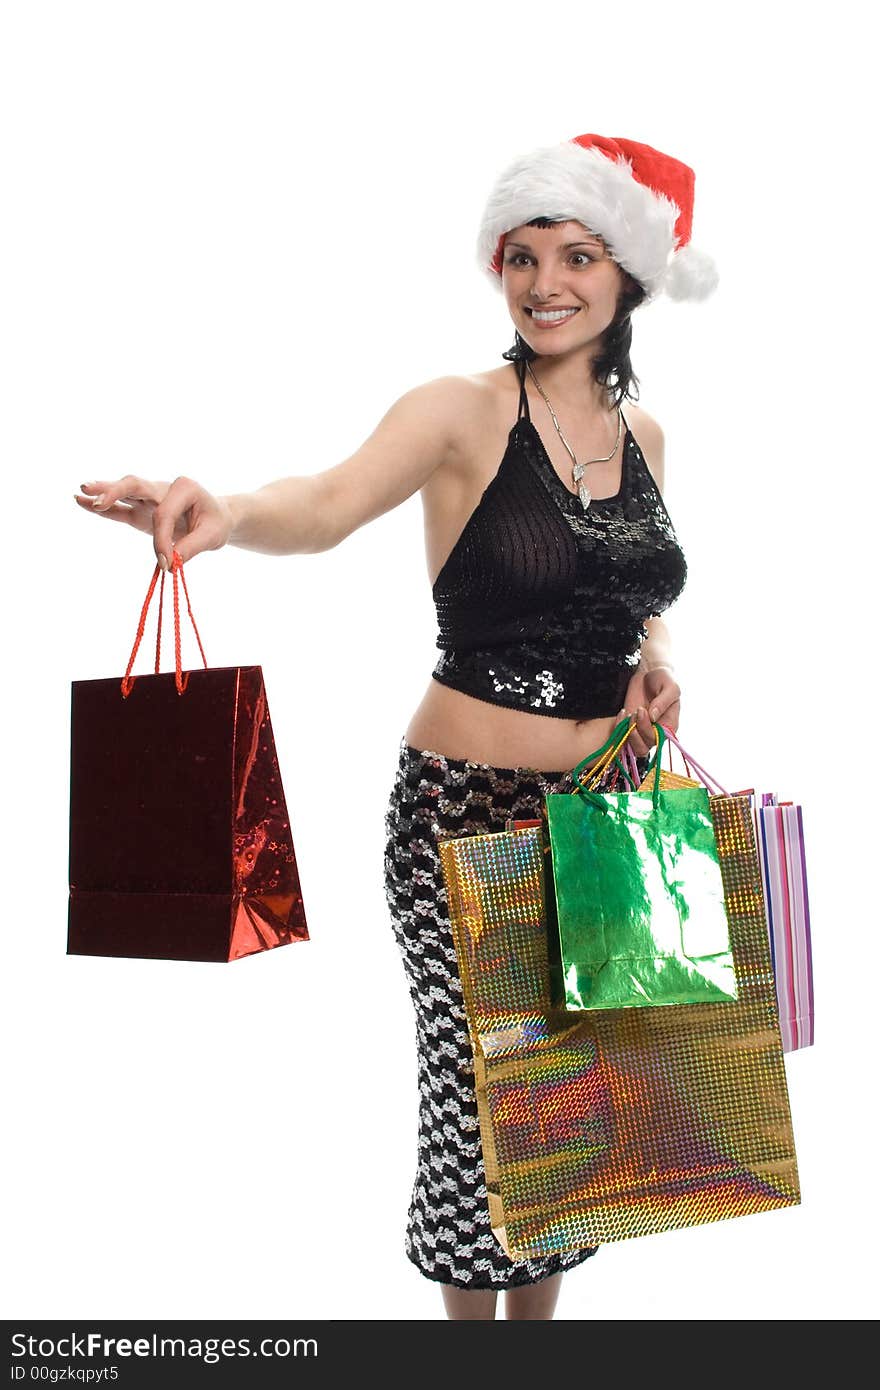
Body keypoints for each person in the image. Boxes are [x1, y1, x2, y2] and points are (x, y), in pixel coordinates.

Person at [73, 131, 718, 1320]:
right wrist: (226, 510)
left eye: (576, 255)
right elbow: (320, 506)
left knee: (567, 1101)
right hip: (462, 812)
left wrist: (658, 664)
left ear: (627, 274)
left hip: (605, 814)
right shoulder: (460, 413)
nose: (543, 284)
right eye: (519, 257)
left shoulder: (647, 438)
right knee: (480, 1104)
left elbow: (640, 602)